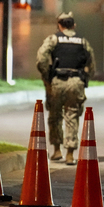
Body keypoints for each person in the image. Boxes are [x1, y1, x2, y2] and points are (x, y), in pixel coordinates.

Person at [36, 12, 96, 165]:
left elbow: (41, 58)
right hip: (76, 81)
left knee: (55, 116)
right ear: (74, 25)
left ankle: (57, 151)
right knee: (72, 116)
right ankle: (70, 153)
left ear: (59, 25)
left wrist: (46, 76)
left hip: (57, 81)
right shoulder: (82, 41)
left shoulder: (54, 39)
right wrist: (85, 79)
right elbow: (92, 63)